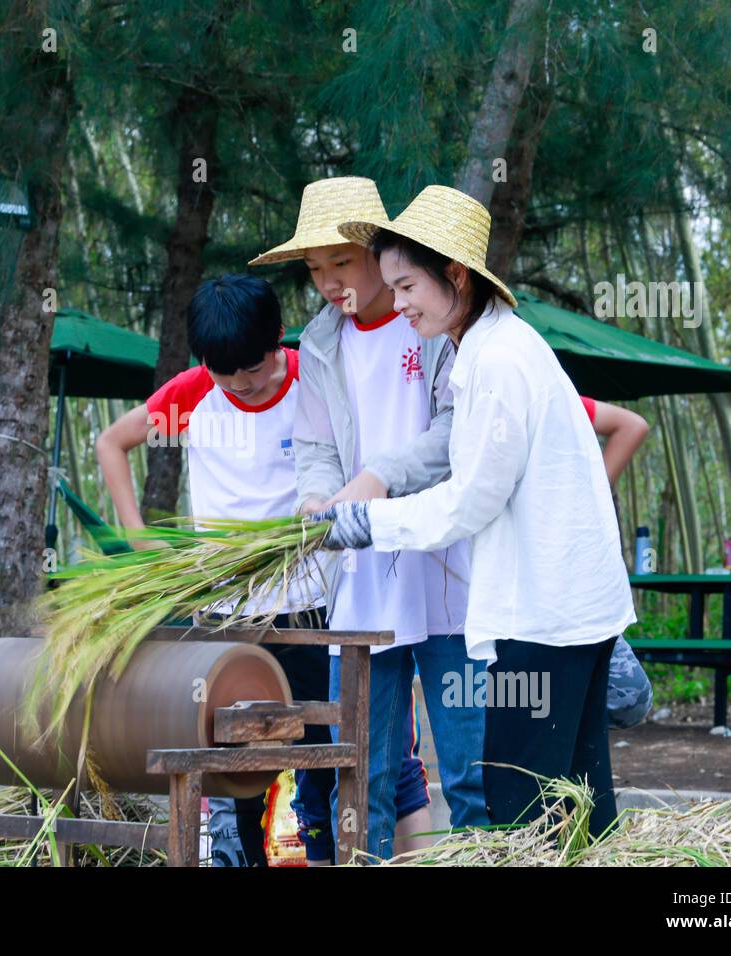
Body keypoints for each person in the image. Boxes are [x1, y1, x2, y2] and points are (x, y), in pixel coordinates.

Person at [316, 185, 636, 840]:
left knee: (522, 803)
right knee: (578, 805)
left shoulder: (496, 360)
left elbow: (469, 501)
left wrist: (366, 522)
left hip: (546, 619)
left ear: (455, 275)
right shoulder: (491, 348)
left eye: (407, 286)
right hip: (563, 608)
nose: (398, 303)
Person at [251, 176, 489, 861]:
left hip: (448, 567)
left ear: (381, 254)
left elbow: (453, 434)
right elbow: (317, 446)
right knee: (365, 769)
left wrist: (376, 481)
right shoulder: (322, 342)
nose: (328, 282)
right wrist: (318, 498)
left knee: (469, 770)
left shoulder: (442, 326)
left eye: (342, 263)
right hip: (362, 577)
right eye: (315, 268)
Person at [96, 274, 334, 867]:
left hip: (313, 602)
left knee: (323, 751)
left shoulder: (316, 380)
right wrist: (136, 534)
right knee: (235, 762)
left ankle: (330, 853)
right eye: (228, 374)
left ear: (278, 338)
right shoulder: (193, 394)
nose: (243, 384)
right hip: (228, 612)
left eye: (253, 368)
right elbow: (111, 444)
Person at [579, 396, 654, 730]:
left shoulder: (552, 391)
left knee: (629, 696)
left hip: (576, 585)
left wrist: (586, 496)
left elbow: (632, 424)